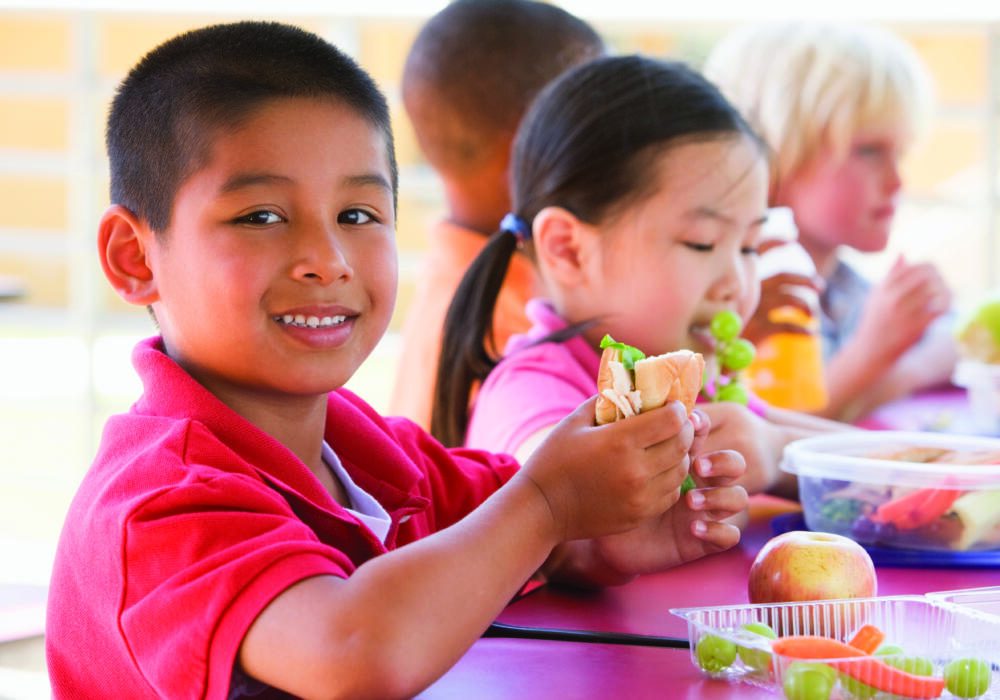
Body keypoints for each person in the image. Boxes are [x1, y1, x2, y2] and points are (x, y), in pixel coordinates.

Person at [45, 22, 749, 699]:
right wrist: (547, 506)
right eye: (261, 216)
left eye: (357, 215)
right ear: (136, 257)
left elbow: (514, 528)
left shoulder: (368, 453)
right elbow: (352, 651)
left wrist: (604, 534)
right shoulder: (156, 503)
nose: (327, 260)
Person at [432, 54, 850, 500]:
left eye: (748, 247)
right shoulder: (531, 392)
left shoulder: (685, 381)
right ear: (568, 250)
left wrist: (774, 449)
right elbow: (558, 506)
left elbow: (859, 456)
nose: (737, 283)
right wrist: (774, 452)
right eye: (702, 243)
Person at [703, 21, 957, 423]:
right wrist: (874, 353)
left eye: (901, 152)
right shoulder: (744, 295)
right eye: (870, 151)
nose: (898, 181)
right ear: (775, 152)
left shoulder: (845, 288)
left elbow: (951, 344)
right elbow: (762, 433)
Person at [389, 0, 605, 429]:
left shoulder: (466, 284)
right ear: (533, 142)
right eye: (597, 125)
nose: (619, 144)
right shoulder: (516, 330)